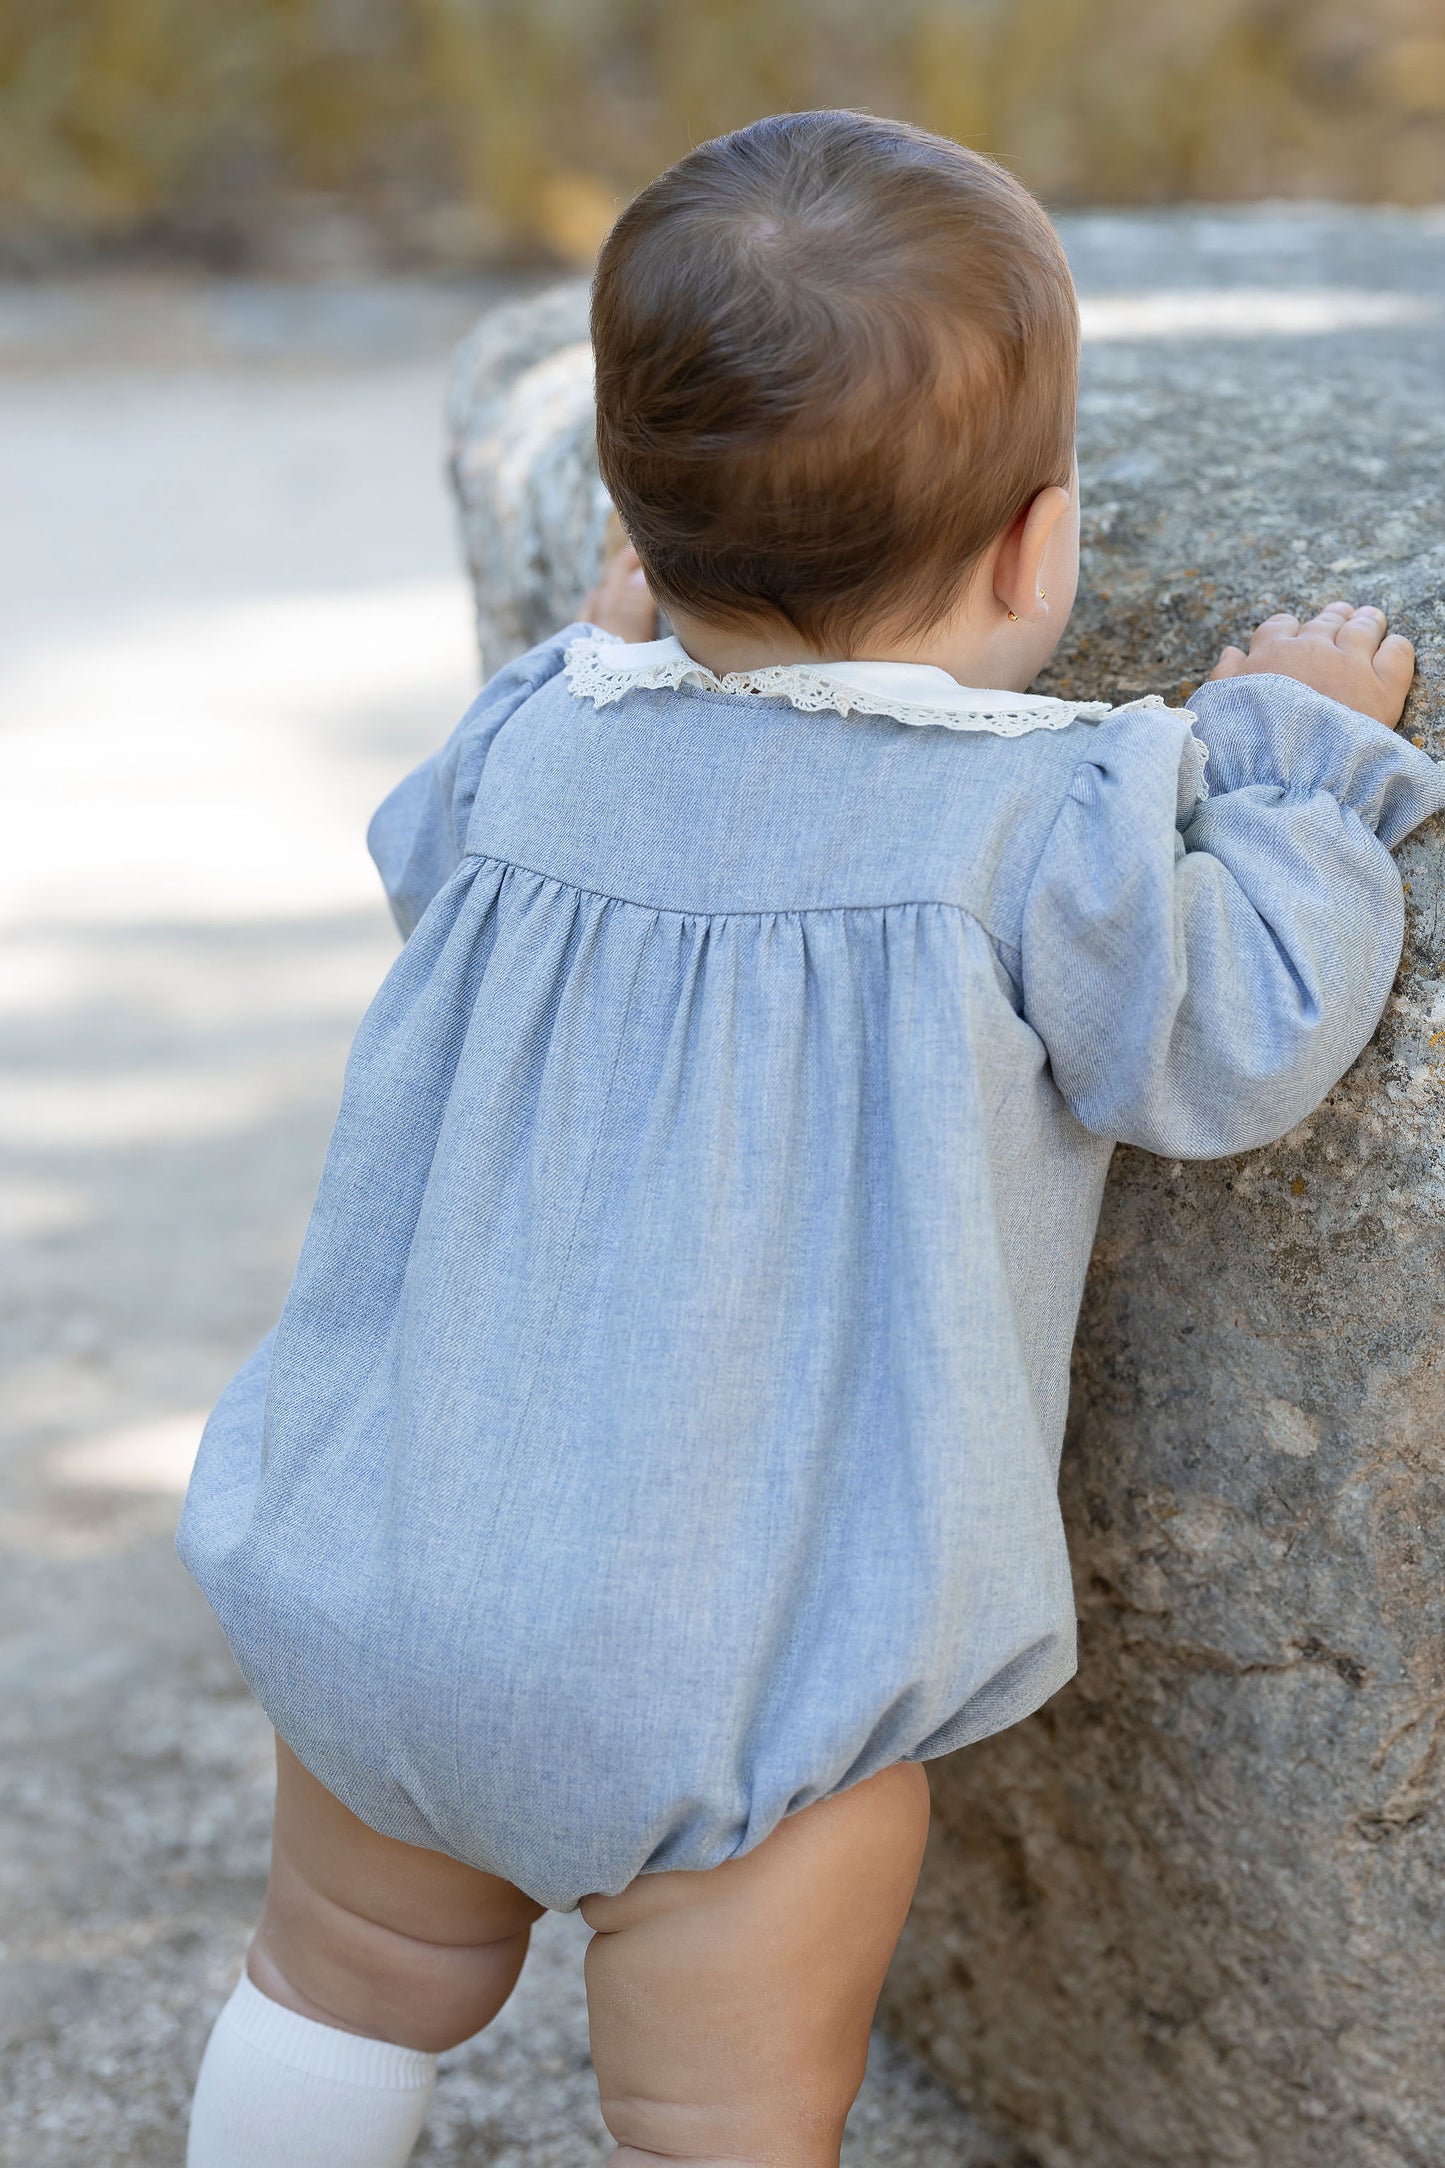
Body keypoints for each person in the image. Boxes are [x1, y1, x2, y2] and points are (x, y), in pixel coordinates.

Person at [178, 110, 1444, 2168]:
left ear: (637, 525)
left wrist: (607, 660)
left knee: (333, 1986)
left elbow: (431, 867)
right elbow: (1237, 1039)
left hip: (385, 1598)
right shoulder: (1044, 828)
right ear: (1041, 552)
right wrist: (1301, 766)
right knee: (726, 2114)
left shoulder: (535, 734)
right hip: (737, 1688)